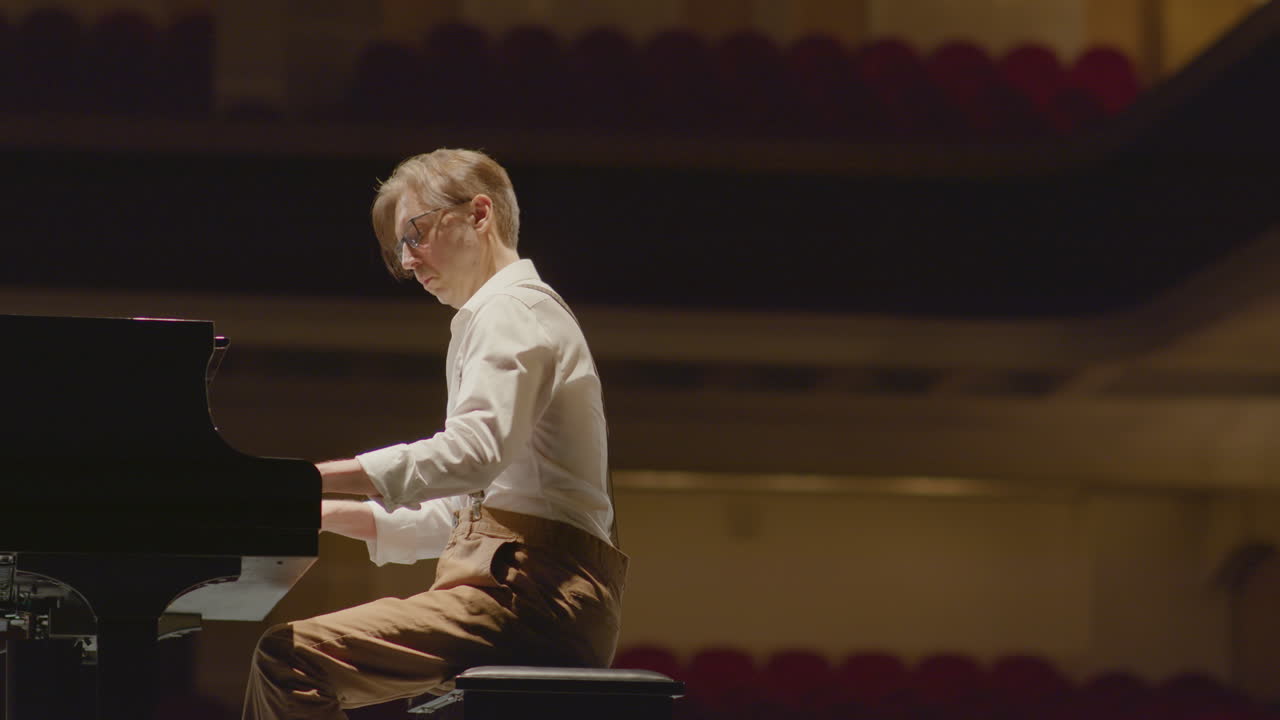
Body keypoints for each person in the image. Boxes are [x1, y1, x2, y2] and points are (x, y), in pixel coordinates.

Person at [242, 149, 625, 720]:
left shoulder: (510, 310)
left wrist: (307, 479)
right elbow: (462, 517)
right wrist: (321, 511)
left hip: (534, 597)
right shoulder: (502, 314)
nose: (407, 261)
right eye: (399, 248)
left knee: (288, 657)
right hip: (538, 591)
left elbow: (472, 455)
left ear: (478, 214)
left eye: (414, 234)